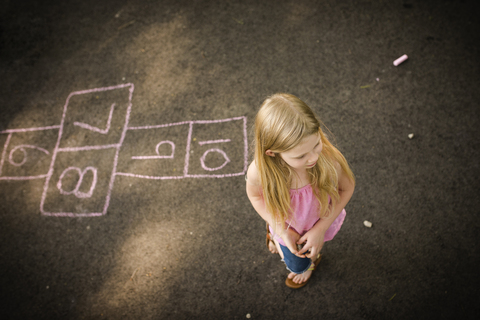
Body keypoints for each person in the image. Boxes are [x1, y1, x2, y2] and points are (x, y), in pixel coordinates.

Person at [246, 93, 355, 289]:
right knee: (296, 263)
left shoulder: (329, 160)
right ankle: (277, 239)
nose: (313, 158)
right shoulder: (260, 172)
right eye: (301, 155)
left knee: (308, 255)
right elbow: (255, 195)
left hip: (317, 220)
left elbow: (347, 188)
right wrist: (279, 227)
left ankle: (306, 263)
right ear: (272, 153)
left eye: (316, 144)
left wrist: (320, 228)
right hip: (286, 225)